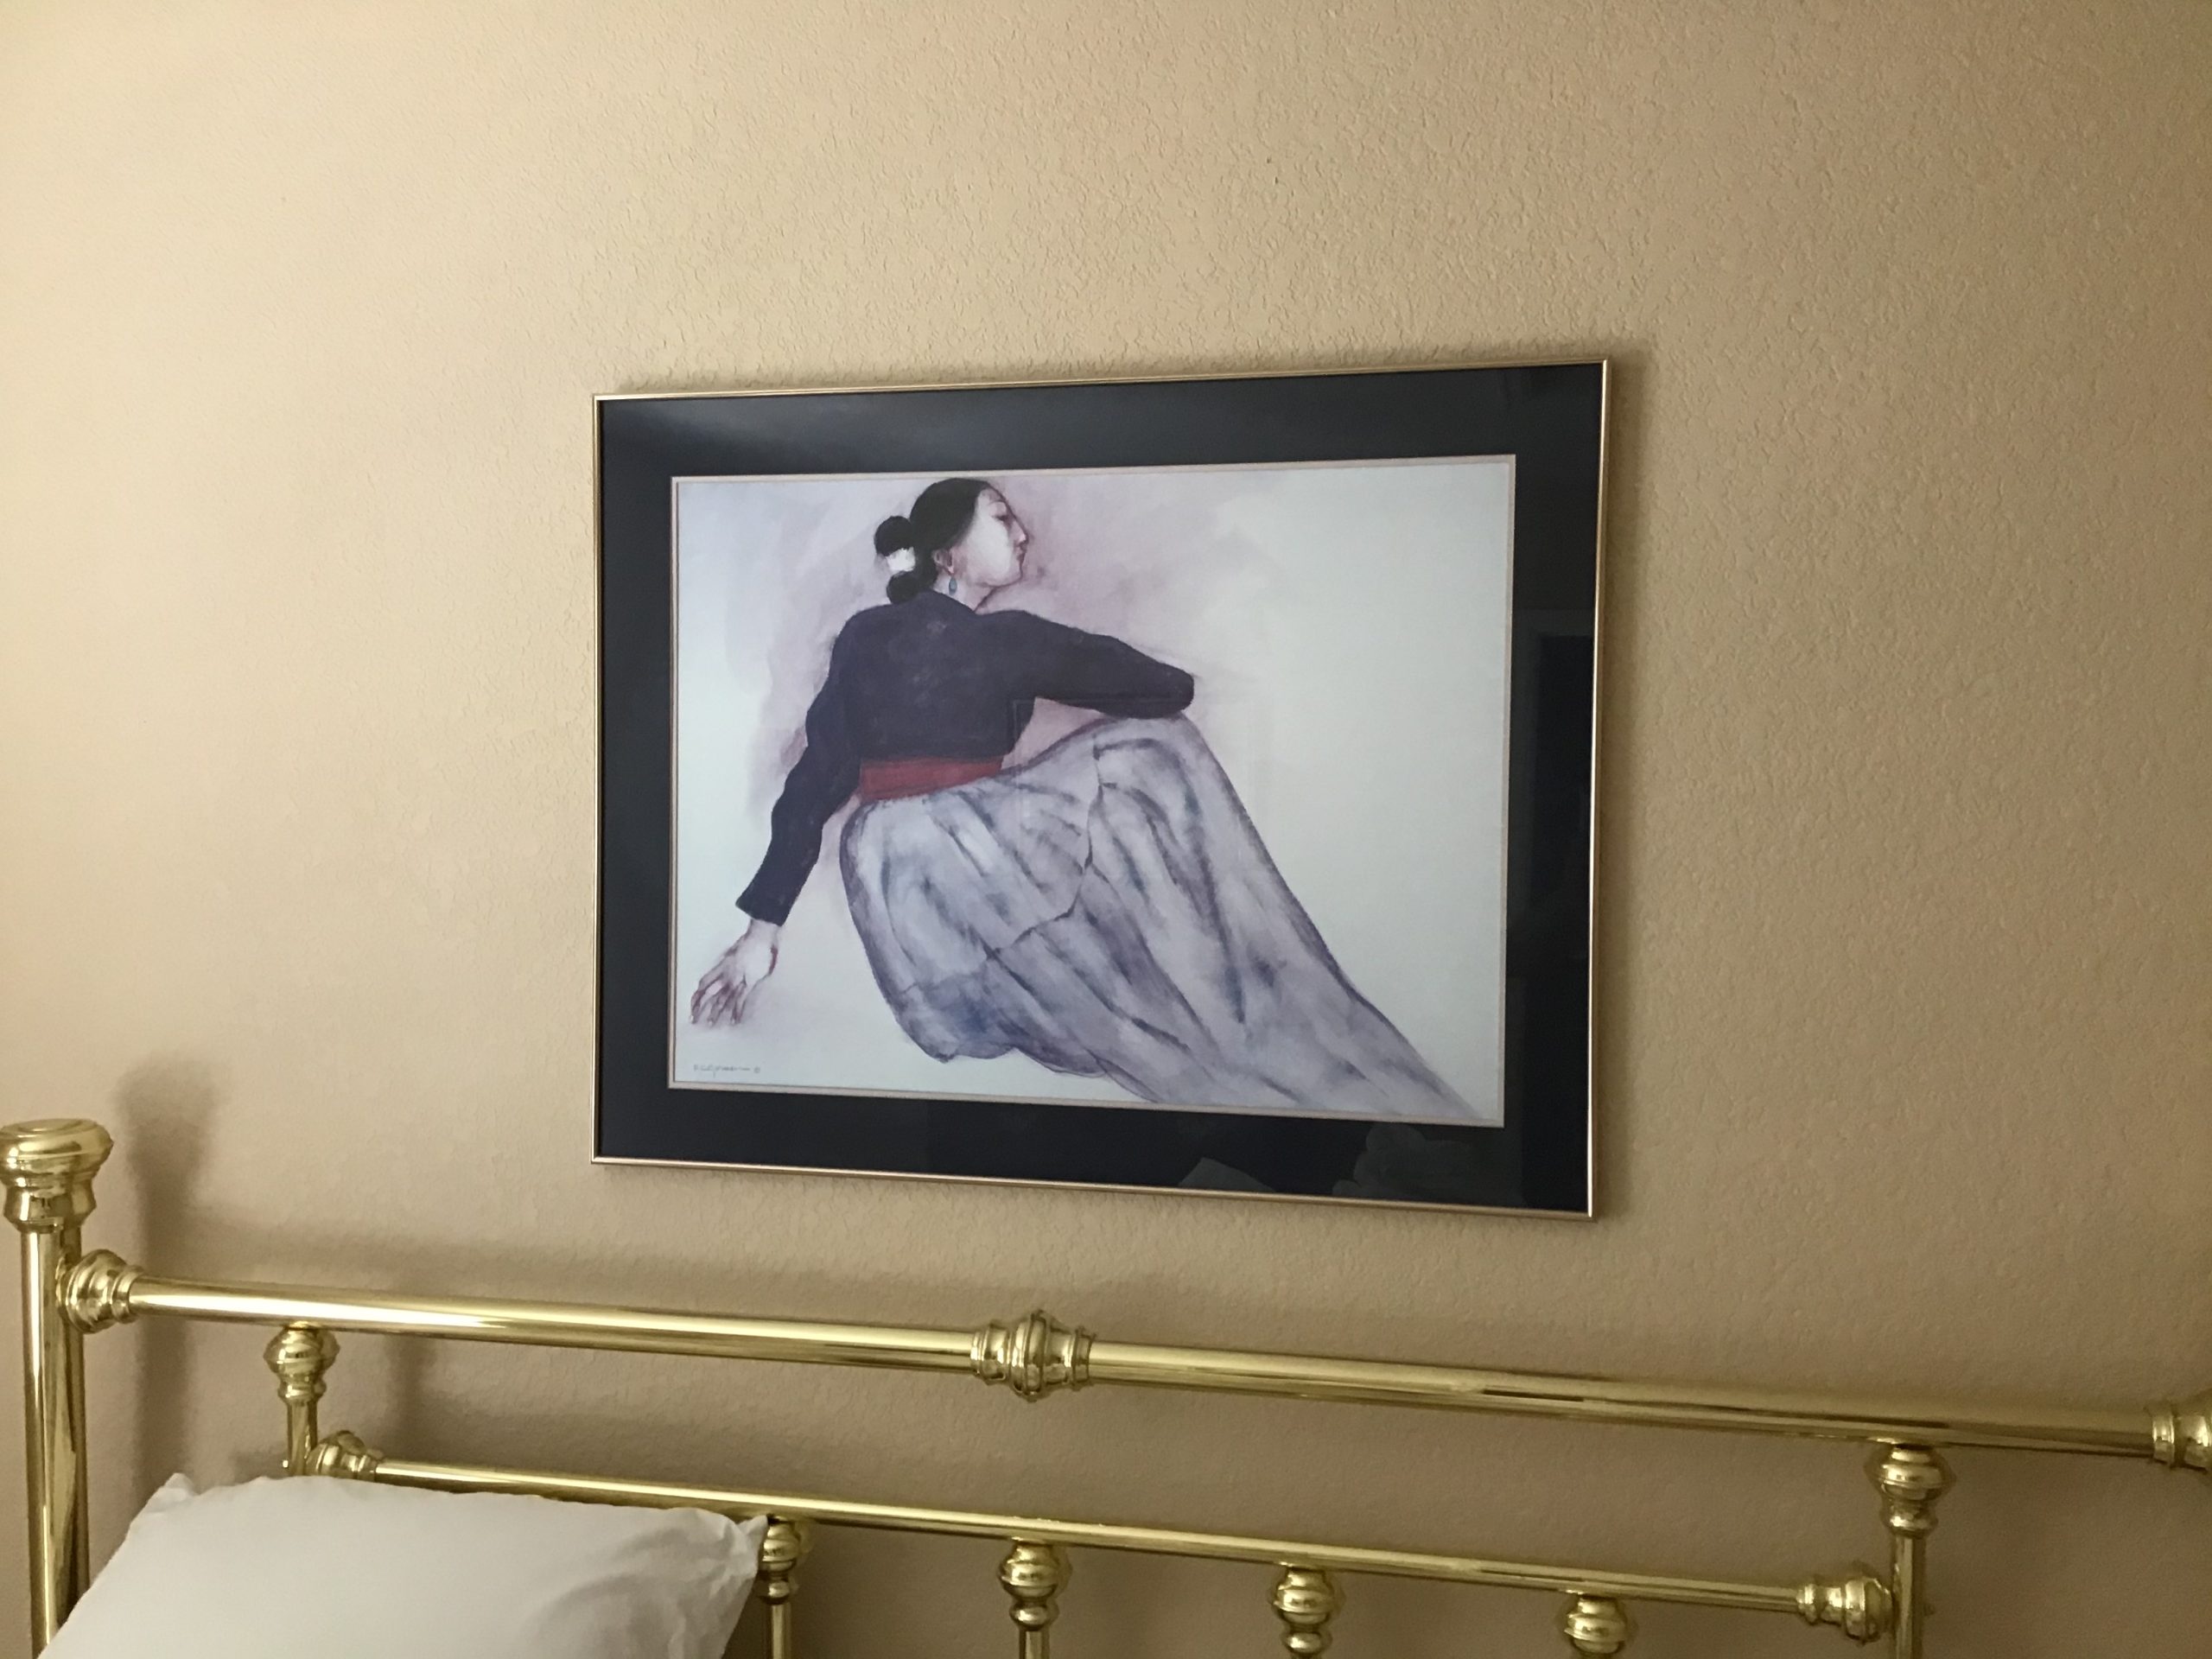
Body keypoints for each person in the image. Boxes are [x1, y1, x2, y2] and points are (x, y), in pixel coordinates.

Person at [692, 477, 1470, 1122]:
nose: (1023, 533)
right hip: (970, 858)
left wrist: (761, 934)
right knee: (1157, 752)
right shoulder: (1010, 639)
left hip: (896, 880)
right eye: (1002, 518)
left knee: (1145, 980)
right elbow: (1166, 691)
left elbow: (818, 780)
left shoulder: (865, 636)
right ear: (948, 553)